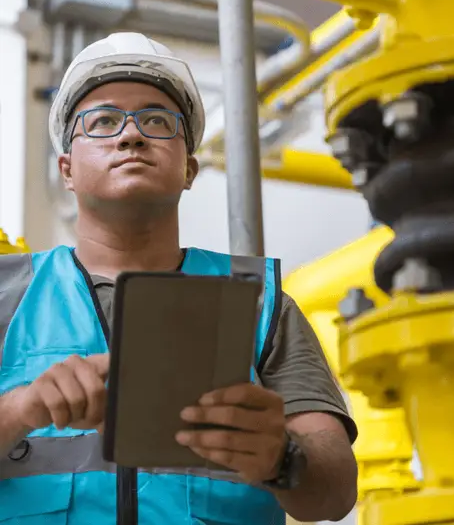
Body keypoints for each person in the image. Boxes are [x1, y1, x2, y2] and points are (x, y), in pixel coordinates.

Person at [0, 32, 358, 525]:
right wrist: (20, 410)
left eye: (156, 120)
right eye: (103, 121)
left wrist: (282, 458)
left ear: (189, 169)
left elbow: (335, 493)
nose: (131, 135)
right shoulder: (4, 296)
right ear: (67, 169)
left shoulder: (260, 304)